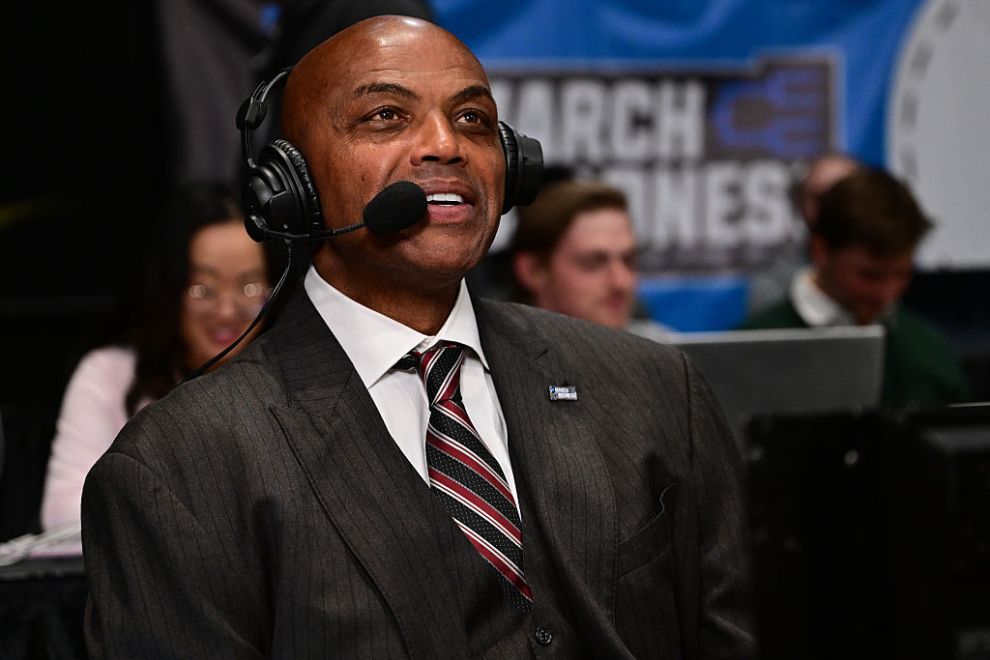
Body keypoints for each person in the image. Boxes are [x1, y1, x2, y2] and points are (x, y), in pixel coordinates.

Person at [82, 16, 754, 658]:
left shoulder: (654, 389)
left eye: (474, 120)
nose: (446, 145)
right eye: (387, 117)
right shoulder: (177, 466)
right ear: (291, 184)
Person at [41, 183, 270, 530]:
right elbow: (64, 517)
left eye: (249, 287)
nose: (226, 311)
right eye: (202, 289)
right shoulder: (111, 374)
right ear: (169, 289)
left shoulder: (293, 379)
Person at [741, 167, 969, 408]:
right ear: (821, 251)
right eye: (870, 275)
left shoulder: (926, 348)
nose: (887, 292)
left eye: (902, 273)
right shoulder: (749, 352)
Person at [510, 179, 676, 340]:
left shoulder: (667, 352)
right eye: (593, 263)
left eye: (628, 260)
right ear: (533, 271)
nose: (621, 282)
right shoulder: (498, 359)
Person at [747, 152, 862, 315]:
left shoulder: (895, 276)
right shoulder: (774, 286)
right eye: (819, 198)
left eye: (843, 196)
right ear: (800, 204)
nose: (830, 208)